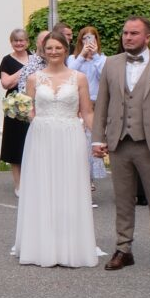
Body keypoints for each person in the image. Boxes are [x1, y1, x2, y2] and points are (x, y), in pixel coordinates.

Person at [92, 16, 150, 277]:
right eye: (125, 33)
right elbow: (102, 106)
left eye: (134, 33)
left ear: (147, 37)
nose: (128, 37)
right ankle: (123, 248)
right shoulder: (111, 64)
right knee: (122, 200)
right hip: (120, 143)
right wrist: (98, 139)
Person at [12, 29, 100, 267]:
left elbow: (87, 112)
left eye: (58, 48)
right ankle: (41, 243)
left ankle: (70, 244)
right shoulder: (34, 79)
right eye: (49, 48)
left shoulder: (78, 78)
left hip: (71, 135)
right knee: (43, 185)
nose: (53, 52)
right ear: (44, 50)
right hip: (41, 136)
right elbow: (28, 107)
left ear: (66, 50)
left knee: (69, 186)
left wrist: (98, 139)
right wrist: (27, 117)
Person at [67, 26, 109, 194]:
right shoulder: (73, 58)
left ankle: (90, 178)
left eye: (92, 38)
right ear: (80, 41)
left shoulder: (103, 59)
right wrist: (83, 55)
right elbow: (71, 73)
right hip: (78, 104)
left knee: (94, 140)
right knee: (80, 142)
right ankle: (81, 178)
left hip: (96, 103)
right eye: (85, 38)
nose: (88, 42)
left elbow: (104, 76)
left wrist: (96, 56)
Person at [0, 28, 31, 196]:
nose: (19, 43)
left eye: (22, 40)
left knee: (31, 144)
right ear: (11, 42)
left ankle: (31, 182)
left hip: (33, 106)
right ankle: (18, 184)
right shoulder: (7, 61)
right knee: (15, 145)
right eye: (16, 41)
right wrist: (25, 70)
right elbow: (6, 83)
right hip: (14, 108)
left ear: (28, 42)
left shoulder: (35, 58)